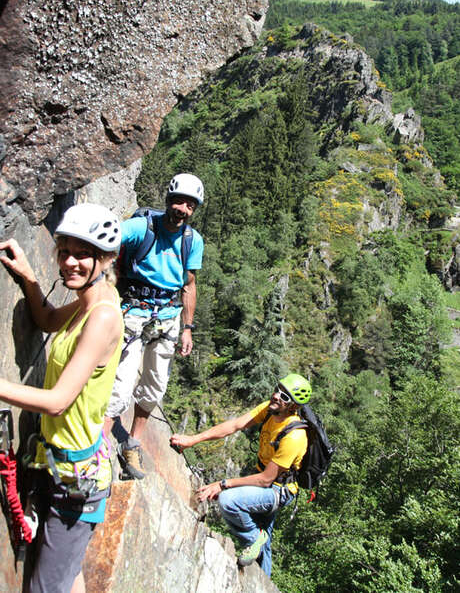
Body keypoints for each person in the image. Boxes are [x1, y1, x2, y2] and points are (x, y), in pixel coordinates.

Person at [0, 203, 124, 593]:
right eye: (64, 251)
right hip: (66, 467)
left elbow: (57, 401)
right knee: (65, 573)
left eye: (82, 254)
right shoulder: (94, 299)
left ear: (104, 258)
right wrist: (28, 277)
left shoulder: (102, 315)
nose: (70, 262)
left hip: (74, 481)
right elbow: (48, 320)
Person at [104, 173, 205, 480]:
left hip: (168, 318)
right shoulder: (141, 227)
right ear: (167, 200)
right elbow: (107, 241)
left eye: (189, 205)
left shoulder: (192, 241)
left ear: (194, 209)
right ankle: (98, 444)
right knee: (121, 385)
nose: (182, 209)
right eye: (178, 201)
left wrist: (188, 328)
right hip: (135, 310)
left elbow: (189, 284)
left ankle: (132, 442)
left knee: (154, 386)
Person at [170, 373, 312, 578]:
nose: (276, 396)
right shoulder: (269, 411)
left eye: (285, 396)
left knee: (229, 502)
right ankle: (262, 578)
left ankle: (255, 539)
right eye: (278, 389)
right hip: (263, 480)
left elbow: (265, 479)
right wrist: (193, 440)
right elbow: (234, 425)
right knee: (264, 543)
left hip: (277, 490)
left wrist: (223, 484)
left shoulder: (295, 436)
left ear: (293, 406)